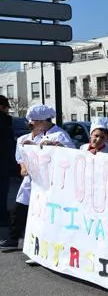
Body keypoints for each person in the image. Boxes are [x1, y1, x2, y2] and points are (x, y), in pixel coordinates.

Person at [0, 107, 46, 251]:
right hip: (28, 180)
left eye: (35, 122)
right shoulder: (22, 139)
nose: (32, 125)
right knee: (19, 207)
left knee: (39, 211)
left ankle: (37, 241)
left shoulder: (46, 139)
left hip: (43, 180)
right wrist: (23, 167)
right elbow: (19, 158)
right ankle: (13, 238)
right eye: (31, 122)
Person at [0, 95, 15, 226]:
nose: (7, 110)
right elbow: (8, 144)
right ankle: (2, 217)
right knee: (2, 190)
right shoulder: (4, 122)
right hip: (2, 162)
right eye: (5, 108)